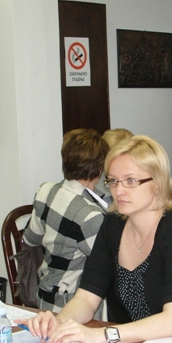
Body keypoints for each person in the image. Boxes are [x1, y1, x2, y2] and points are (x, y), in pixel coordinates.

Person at [17, 136, 172, 343]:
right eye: (113, 181)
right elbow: (87, 298)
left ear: (157, 184)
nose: (118, 191)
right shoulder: (112, 225)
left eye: (131, 181)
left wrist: (101, 335)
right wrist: (59, 322)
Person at [23, 128, 109, 315]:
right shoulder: (91, 216)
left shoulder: (45, 190)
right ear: (100, 168)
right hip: (74, 307)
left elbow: (30, 239)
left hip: (43, 296)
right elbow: (112, 268)